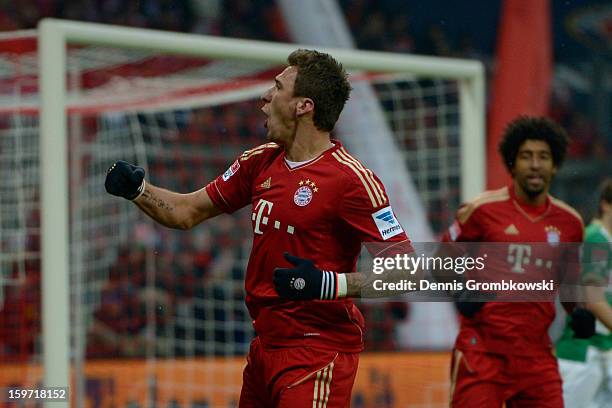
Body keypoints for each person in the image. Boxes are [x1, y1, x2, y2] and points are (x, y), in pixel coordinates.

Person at [105, 49, 413, 408]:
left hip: (317, 352)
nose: (265, 98)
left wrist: (330, 284)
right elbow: (186, 212)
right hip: (265, 349)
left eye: (277, 87)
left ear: (303, 106)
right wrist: (138, 190)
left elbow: (407, 272)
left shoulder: (351, 180)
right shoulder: (259, 162)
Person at [274, 116, 595, 407]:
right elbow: (442, 264)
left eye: (543, 157)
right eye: (527, 157)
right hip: (482, 352)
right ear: (513, 163)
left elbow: (568, 281)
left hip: (538, 357)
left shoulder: (570, 222)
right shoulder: (480, 211)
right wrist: (463, 291)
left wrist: (577, 311)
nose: (535, 165)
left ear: (556, 165)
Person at [556, 179, 612, 408]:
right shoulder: (596, 240)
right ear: (606, 205)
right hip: (582, 354)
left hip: (601, 350)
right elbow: (593, 299)